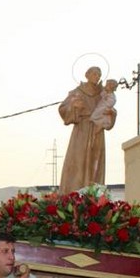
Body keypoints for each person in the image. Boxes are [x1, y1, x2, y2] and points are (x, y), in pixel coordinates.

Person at [58, 66, 116, 194]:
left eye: (99, 75)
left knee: (95, 163)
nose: (97, 77)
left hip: (97, 129)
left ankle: (93, 194)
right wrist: (74, 106)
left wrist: (111, 113)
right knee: (78, 161)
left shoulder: (104, 92)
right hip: (82, 129)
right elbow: (63, 108)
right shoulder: (78, 92)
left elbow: (111, 110)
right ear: (87, 75)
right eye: (94, 74)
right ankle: (74, 193)